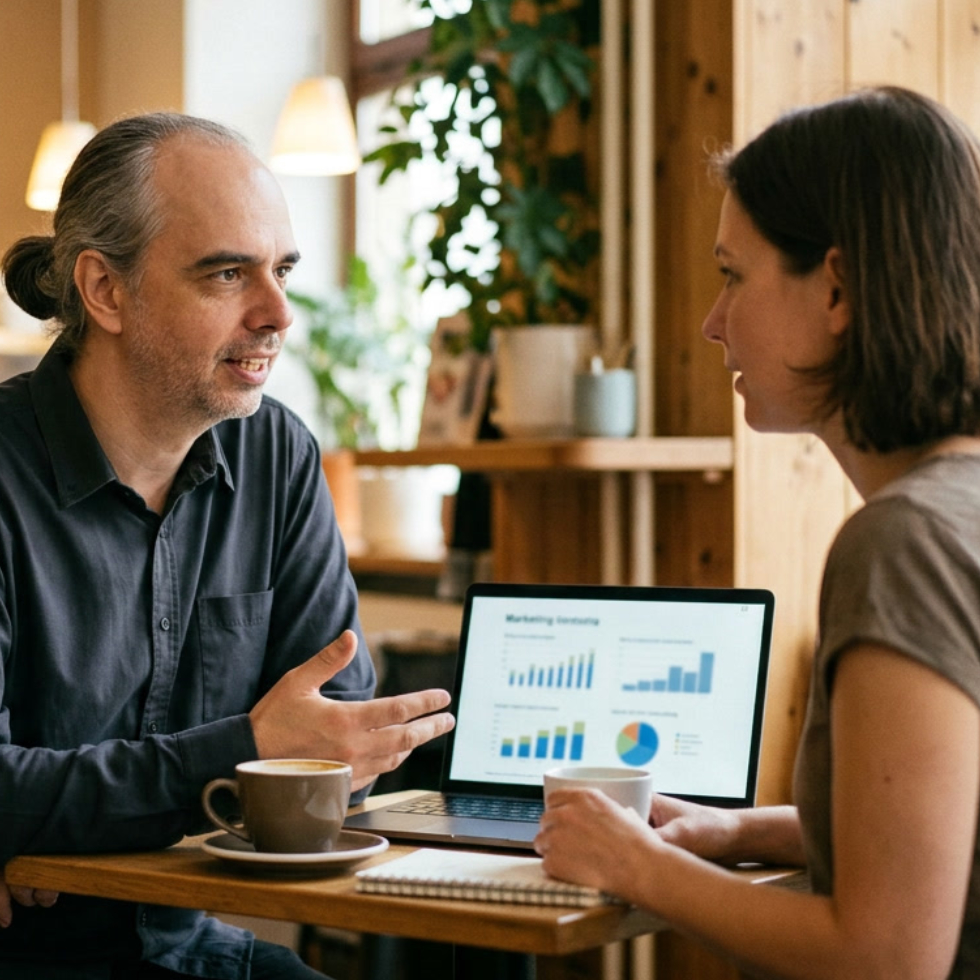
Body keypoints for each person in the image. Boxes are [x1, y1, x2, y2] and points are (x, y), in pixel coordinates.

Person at [534, 85, 980, 979]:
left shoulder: (904, 543)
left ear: (840, 287)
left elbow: (889, 959)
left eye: (733, 275)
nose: (711, 320)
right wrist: (737, 829)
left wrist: (638, 865)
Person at [0, 112, 455, 979]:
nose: (277, 312)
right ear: (105, 291)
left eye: (281, 269)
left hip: (186, 948)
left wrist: (46, 827)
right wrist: (243, 749)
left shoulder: (277, 454)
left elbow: (333, 747)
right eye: (226, 273)